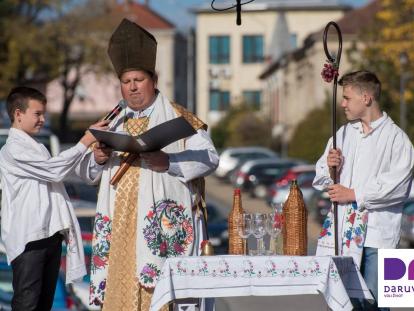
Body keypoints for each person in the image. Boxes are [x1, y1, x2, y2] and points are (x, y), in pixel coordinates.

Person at [76, 19, 219, 310]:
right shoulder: (111, 121)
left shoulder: (180, 118)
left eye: (138, 80)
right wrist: (98, 158)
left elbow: (209, 159)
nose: (132, 88)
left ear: (153, 80)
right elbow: (88, 173)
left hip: (160, 227)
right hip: (119, 227)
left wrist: (169, 162)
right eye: (126, 82)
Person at [0, 86, 108, 311]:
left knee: (43, 305)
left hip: (50, 235)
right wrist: (85, 140)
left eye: (44, 114)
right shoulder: (12, 149)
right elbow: (55, 170)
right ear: (18, 114)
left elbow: (68, 169)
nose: (42, 119)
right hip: (30, 237)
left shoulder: (38, 148)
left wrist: (96, 158)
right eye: (37, 114)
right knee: (27, 304)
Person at [313, 70, 414, 310]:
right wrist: (330, 166)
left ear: (366, 98)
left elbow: (399, 187)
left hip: (383, 238)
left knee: (379, 305)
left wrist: (354, 194)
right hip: (344, 235)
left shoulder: (398, 139)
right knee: (345, 304)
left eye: (347, 97)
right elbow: (321, 175)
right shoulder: (344, 133)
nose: (342, 103)